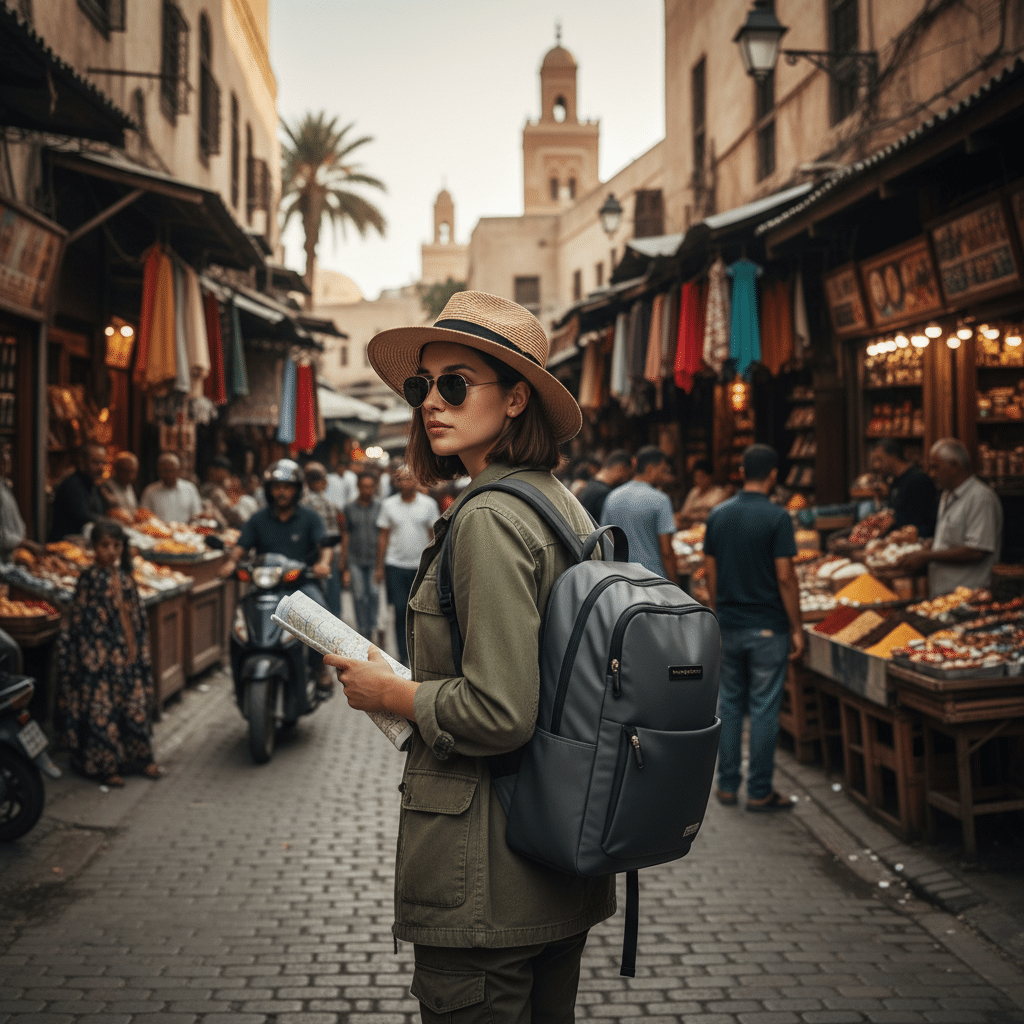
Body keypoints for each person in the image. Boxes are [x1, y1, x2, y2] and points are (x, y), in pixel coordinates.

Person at [325, 290, 615, 1021]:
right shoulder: (558, 501)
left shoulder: (488, 517)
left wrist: (390, 693)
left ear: (517, 400)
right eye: (423, 386)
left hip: (488, 874)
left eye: (455, 384)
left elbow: (500, 710)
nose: (430, 403)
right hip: (553, 866)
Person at [703, 443, 803, 813]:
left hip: (729, 624)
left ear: (742, 472)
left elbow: (710, 570)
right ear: (773, 475)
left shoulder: (718, 515)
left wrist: (716, 610)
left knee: (729, 706)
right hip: (767, 628)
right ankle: (759, 791)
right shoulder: (778, 517)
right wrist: (798, 627)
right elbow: (786, 577)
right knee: (763, 709)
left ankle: (727, 786)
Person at [54, 518, 163, 786]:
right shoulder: (88, 578)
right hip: (98, 659)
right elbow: (81, 620)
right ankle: (105, 766)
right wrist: (90, 656)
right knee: (102, 711)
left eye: (116, 546)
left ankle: (141, 759)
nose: (111, 551)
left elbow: (136, 618)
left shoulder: (126, 578)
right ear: (94, 548)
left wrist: (138, 650)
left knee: (134, 707)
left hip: (128, 656)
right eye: (105, 546)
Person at [220, 460, 335, 689]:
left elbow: (325, 546)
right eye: (276, 487)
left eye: (287, 486)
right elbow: (241, 547)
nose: (281, 492)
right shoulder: (258, 518)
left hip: (301, 583)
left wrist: (323, 563)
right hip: (265, 584)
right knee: (240, 618)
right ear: (269, 490)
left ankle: (320, 665)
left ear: (297, 489)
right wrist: (231, 562)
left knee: (321, 616)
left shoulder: (310, 518)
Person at [897, 438, 1003, 597]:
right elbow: (949, 541)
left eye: (935, 468)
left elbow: (977, 550)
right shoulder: (947, 495)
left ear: (954, 466)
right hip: (944, 593)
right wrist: (924, 549)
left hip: (969, 595)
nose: (931, 474)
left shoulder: (980, 498)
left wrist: (926, 556)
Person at [375, 464, 439, 667]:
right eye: (401, 479)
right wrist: (379, 566)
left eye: (409, 478)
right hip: (395, 564)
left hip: (420, 566)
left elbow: (433, 536)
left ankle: (420, 655)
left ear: (418, 480)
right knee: (401, 609)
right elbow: (383, 537)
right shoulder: (388, 505)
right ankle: (403, 656)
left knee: (421, 611)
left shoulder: (428, 505)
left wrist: (435, 565)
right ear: (396, 482)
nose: (405, 482)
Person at [600, 445, 678, 583]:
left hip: (622, 579)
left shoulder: (612, 497)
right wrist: (675, 584)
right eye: (662, 470)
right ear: (650, 469)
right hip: (654, 580)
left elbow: (605, 540)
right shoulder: (661, 500)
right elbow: (666, 552)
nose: (664, 475)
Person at [340, 471, 382, 640]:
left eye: (371, 486)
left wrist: (381, 565)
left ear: (375, 487)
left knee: (373, 593)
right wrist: (344, 564)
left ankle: (371, 625)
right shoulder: (349, 508)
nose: (367, 490)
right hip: (355, 558)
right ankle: (363, 629)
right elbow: (346, 534)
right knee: (358, 595)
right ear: (358, 487)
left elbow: (383, 535)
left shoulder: (380, 507)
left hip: (374, 559)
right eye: (364, 486)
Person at [870, 439, 938, 538]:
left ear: (893, 457)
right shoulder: (894, 481)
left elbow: (924, 521)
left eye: (880, 459)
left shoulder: (918, 480)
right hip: (896, 539)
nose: (876, 465)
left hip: (915, 541)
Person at [301, 461, 343, 617]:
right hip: (329, 552)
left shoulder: (304, 503)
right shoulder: (327, 503)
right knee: (332, 594)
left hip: (316, 553)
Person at [48, 441, 107, 541]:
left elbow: (99, 511)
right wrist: (109, 522)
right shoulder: (72, 485)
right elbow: (83, 516)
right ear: (82, 462)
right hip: (67, 544)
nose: (101, 468)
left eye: (103, 463)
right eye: (96, 463)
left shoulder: (92, 484)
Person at [139, 452, 203, 524]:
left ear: (179, 470)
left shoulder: (190, 489)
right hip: (157, 533)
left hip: (186, 532)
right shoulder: (150, 491)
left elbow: (197, 514)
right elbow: (143, 516)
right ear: (159, 471)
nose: (168, 474)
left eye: (172, 470)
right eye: (165, 471)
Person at [576, 450, 633, 522]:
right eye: (628, 475)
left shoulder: (589, 485)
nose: (626, 480)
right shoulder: (604, 493)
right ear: (620, 468)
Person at [676, 458, 731, 528]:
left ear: (710, 477)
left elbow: (714, 515)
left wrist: (694, 514)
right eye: (696, 477)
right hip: (691, 529)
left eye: (701, 477)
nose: (698, 480)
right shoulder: (694, 491)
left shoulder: (719, 493)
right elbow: (684, 513)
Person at [200, 455, 244, 528]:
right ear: (215, 470)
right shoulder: (210, 489)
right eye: (225, 471)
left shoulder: (222, 487)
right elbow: (233, 513)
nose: (227, 474)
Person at [99, 451, 140, 517]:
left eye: (133, 471)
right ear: (116, 469)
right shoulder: (105, 487)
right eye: (126, 471)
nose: (130, 476)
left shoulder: (130, 486)